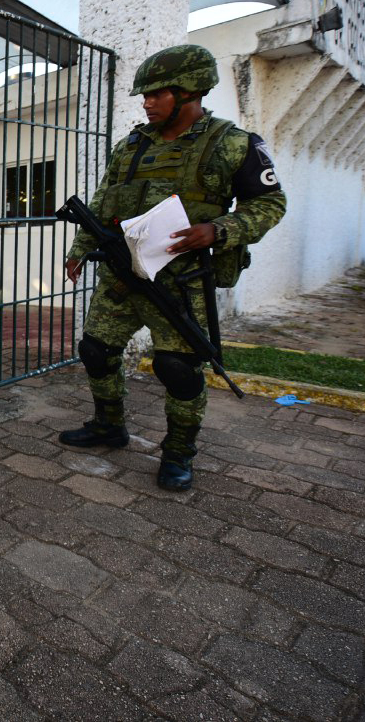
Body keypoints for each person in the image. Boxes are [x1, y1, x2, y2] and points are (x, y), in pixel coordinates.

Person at [60, 44, 286, 491]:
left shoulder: (232, 143)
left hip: (182, 281)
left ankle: (179, 453)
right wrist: (80, 248)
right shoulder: (132, 145)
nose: (146, 103)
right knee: (95, 350)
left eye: (156, 94)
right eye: (144, 96)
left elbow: (270, 204)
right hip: (124, 274)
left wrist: (219, 229)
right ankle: (109, 425)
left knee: (177, 369)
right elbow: (105, 202)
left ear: (189, 92)